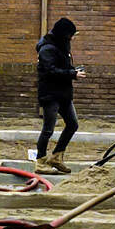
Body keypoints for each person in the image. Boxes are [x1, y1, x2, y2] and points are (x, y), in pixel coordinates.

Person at [31, 18, 80, 164]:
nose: (72, 38)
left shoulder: (62, 46)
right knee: (48, 129)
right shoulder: (47, 48)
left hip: (63, 93)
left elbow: (62, 66)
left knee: (72, 124)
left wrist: (73, 71)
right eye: (71, 35)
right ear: (63, 34)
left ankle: (57, 156)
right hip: (50, 94)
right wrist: (72, 74)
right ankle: (40, 160)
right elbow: (50, 71)